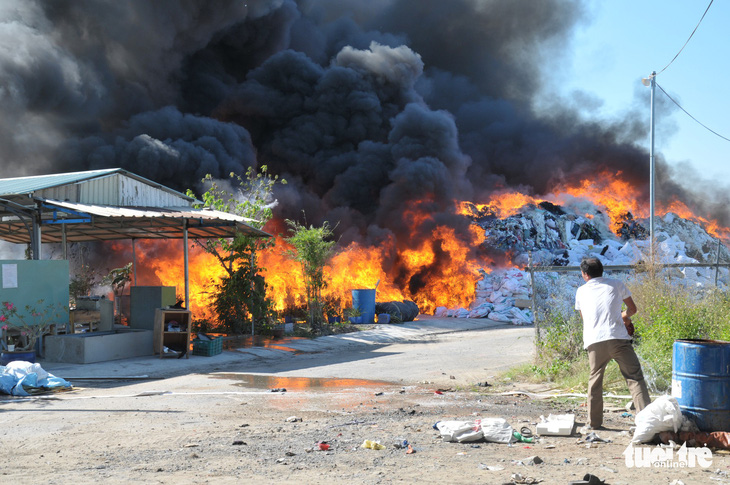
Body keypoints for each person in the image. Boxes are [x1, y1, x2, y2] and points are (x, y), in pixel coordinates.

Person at [575, 257, 651, 429]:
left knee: (595, 380)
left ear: (585, 274)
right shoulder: (616, 284)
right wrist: (623, 317)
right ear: (602, 270)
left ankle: (593, 423)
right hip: (618, 338)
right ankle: (646, 422)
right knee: (634, 377)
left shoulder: (580, 291)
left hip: (594, 341)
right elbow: (632, 310)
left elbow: (585, 318)